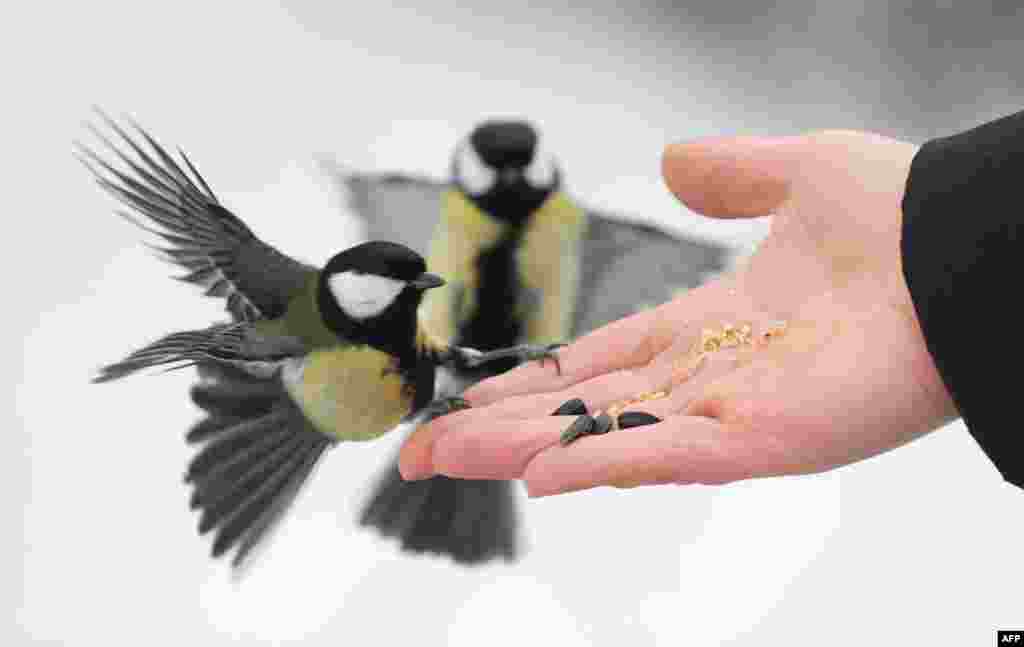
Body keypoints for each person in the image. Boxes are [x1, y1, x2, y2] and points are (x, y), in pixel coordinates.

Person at [397, 111, 1024, 498]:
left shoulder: (570, 223)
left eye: (520, 166)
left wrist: (940, 243)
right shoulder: (434, 204)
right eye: (493, 168)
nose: (509, 179)